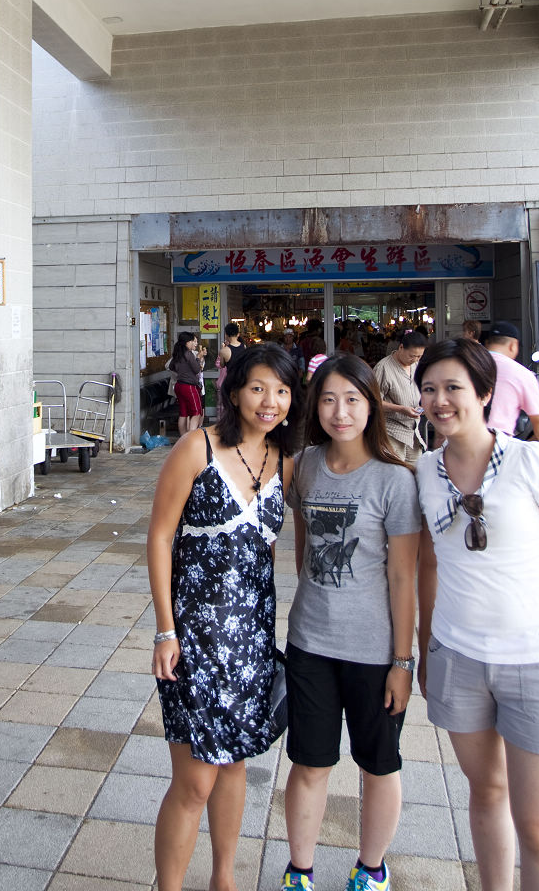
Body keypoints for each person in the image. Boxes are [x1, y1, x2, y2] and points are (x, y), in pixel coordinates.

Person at [413, 338, 539, 891]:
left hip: (537, 660)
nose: (440, 401)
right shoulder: (425, 470)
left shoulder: (531, 461)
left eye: (453, 388)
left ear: (485, 393)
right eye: (429, 389)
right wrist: (424, 649)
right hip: (457, 657)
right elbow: (429, 565)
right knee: (486, 793)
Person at [148, 343, 300, 891]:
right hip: (194, 638)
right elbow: (160, 537)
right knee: (194, 781)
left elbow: (267, 550)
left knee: (235, 763)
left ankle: (224, 879)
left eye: (281, 390)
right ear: (234, 392)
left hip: (251, 640)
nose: (269, 401)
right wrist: (165, 630)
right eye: (258, 388)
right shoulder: (198, 448)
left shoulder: (283, 460)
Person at [281, 354, 420, 891]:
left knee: (378, 764)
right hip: (310, 643)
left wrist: (402, 662)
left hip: (374, 652)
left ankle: (371, 868)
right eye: (329, 399)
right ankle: (300, 871)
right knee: (310, 763)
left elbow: (403, 577)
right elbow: (302, 547)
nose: (340, 412)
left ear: (372, 405)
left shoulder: (395, 480)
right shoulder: (305, 465)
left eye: (353, 400)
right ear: (315, 407)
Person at [480, 324, 539, 447]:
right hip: (497, 444)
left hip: (459, 442)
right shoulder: (521, 373)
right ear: (513, 346)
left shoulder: (466, 365)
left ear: (487, 343)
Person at [371, 331, 427, 461]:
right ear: (401, 347)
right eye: (412, 356)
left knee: (416, 469)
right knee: (396, 469)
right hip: (391, 432)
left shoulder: (416, 365)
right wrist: (401, 409)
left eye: (419, 356)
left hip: (413, 431)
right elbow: (373, 401)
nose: (415, 360)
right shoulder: (383, 368)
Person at [169, 332, 205, 437]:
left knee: (183, 413)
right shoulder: (188, 354)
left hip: (179, 386)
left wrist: (182, 371)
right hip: (189, 387)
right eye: (192, 341)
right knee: (196, 412)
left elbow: (171, 367)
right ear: (187, 342)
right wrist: (198, 358)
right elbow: (197, 369)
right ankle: (190, 438)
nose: (194, 343)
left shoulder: (177, 354)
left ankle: (183, 439)